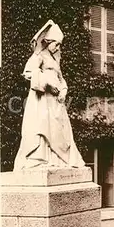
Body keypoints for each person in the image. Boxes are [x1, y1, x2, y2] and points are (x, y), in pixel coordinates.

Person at [14, 20, 86, 170]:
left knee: (61, 130)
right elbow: (28, 73)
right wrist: (47, 84)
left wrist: (63, 90)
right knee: (43, 125)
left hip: (56, 101)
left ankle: (59, 160)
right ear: (48, 42)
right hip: (42, 99)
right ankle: (41, 158)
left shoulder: (55, 60)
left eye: (59, 45)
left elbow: (61, 79)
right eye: (56, 44)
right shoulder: (39, 55)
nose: (58, 47)